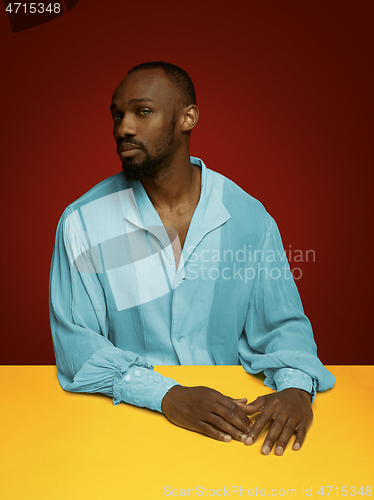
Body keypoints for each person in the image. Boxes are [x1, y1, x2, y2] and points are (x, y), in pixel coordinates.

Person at [49, 61, 335, 456]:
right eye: (118, 115)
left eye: (142, 111)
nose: (123, 128)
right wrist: (167, 395)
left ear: (188, 118)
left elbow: (281, 324)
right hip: (124, 429)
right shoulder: (85, 221)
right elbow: (78, 348)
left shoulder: (248, 217)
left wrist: (296, 389)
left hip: (237, 427)